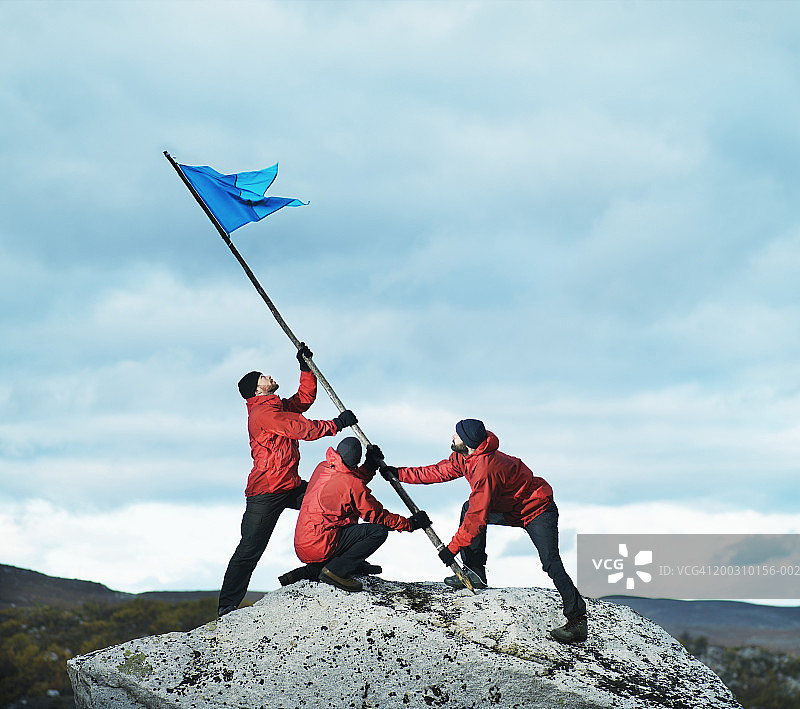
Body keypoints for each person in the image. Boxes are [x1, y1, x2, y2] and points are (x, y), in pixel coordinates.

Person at [381, 419, 588, 644]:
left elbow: (477, 518)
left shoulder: (485, 468)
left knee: (550, 562)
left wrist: (451, 549)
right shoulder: (465, 456)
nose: (452, 437)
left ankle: (577, 620)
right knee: (467, 508)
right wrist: (397, 473)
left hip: (537, 509)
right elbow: (438, 471)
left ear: (468, 441)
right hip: (509, 508)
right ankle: (475, 572)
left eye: (457, 434)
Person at [217, 343, 358, 618]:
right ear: (258, 390)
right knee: (250, 549)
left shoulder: (276, 406)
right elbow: (301, 429)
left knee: (340, 508)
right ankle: (227, 607)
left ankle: (338, 566)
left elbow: (303, 400)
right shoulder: (264, 414)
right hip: (266, 492)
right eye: (262, 377)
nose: (268, 376)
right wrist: (336, 424)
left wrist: (305, 367)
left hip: (290, 485)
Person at [279, 437, 431, 592]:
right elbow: (376, 515)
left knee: (343, 521)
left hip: (303, 544)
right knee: (377, 531)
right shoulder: (351, 483)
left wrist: (370, 466)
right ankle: (336, 571)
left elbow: (350, 480)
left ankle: (310, 571)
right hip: (320, 546)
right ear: (356, 461)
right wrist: (410, 524)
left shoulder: (323, 467)